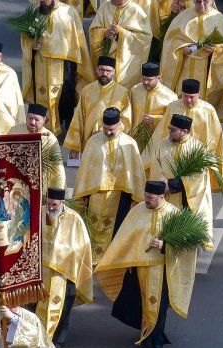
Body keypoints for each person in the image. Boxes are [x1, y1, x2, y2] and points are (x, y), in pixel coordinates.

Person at [94, 179, 200, 348]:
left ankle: (157, 343)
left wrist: (165, 245)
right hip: (138, 267)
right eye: (145, 196)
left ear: (161, 197)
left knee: (158, 306)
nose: (146, 200)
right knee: (142, 302)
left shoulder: (173, 214)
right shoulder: (137, 211)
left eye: (150, 197)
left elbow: (186, 246)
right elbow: (126, 237)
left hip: (161, 269)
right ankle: (147, 332)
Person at [72, 107, 145, 264]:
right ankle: (91, 258)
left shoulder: (129, 143)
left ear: (119, 125)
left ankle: (110, 262)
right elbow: (85, 170)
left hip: (120, 196)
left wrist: (136, 197)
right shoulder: (93, 142)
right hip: (95, 194)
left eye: (111, 129)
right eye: (105, 128)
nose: (108, 132)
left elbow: (137, 173)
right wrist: (82, 194)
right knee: (93, 227)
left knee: (117, 229)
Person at [20, 0, 94, 135]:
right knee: (40, 94)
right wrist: (32, 45)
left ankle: (67, 129)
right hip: (40, 64)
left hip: (64, 63)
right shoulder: (34, 11)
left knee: (66, 96)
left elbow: (79, 41)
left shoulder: (69, 12)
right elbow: (25, 37)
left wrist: (80, 64)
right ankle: (41, 127)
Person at [36, 188, 93, 348]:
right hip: (42, 271)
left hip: (63, 272)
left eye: (54, 205)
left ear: (62, 203)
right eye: (48, 204)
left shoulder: (74, 219)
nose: (50, 208)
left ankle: (58, 342)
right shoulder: (39, 213)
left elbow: (82, 247)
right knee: (39, 304)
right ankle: (39, 339)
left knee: (62, 307)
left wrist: (60, 253)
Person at [151, 78, 223, 189]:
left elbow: (214, 137)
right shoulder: (173, 106)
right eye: (185, 96)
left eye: (192, 97)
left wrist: (206, 158)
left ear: (199, 94)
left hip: (197, 156)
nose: (188, 100)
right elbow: (164, 130)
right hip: (174, 153)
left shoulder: (208, 110)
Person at [161, 0, 223, 120]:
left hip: (207, 70)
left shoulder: (220, 20)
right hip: (185, 66)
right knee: (182, 102)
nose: (202, 5)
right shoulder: (183, 17)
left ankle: (203, 127)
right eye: (198, 2)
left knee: (203, 105)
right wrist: (182, 49)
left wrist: (215, 49)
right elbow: (170, 43)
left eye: (205, 1)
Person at [149, 113, 213, 240]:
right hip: (165, 194)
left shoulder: (197, 148)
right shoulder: (163, 143)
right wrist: (160, 186)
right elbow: (156, 165)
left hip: (186, 196)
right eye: (169, 128)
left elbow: (197, 176)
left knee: (184, 233)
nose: (169, 132)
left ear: (185, 131)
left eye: (173, 130)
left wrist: (171, 186)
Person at [64, 56, 132, 160]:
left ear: (113, 72)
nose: (104, 73)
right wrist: (74, 144)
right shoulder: (87, 90)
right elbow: (79, 117)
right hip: (89, 138)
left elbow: (126, 120)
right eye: (102, 69)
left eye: (108, 71)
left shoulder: (122, 92)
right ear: (97, 70)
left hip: (111, 139)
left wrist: (105, 131)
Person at [89, 0, 152, 88]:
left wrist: (121, 33)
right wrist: (104, 33)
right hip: (105, 57)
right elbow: (93, 30)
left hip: (125, 60)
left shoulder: (135, 10)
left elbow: (145, 38)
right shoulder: (104, 7)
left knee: (121, 91)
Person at [129, 62, 178, 172]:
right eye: (143, 79)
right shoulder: (134, 90)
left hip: (156, 140)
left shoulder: (170, 96)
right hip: (135, 137)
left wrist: (155, 119)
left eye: (149, 79)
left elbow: (173, 120)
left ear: (158, 78)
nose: (145, 82)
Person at [8, 103, 66, 195]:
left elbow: (57, 167)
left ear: (44, 120)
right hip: (16, 179)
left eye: (36, 119)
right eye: (30, 118)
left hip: (40, 182)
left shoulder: (49, 138)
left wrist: (57, 191)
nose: (32, 122)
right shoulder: (15, 131)